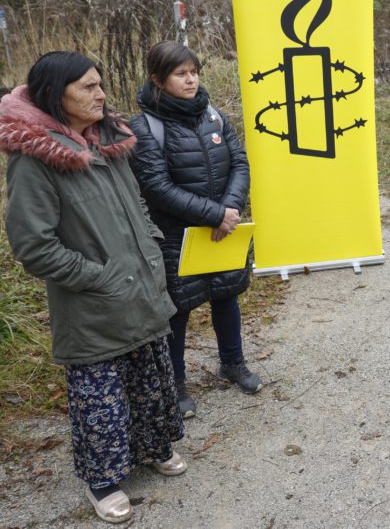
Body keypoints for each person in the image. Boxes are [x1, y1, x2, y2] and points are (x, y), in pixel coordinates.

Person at [1, 52, 186, 524]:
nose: (101, 94)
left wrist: (152, 245)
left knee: (148, 379)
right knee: (100, 399)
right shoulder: (35, 160)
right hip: (93, 304)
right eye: (87, 87)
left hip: (141, 287)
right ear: (54, 94)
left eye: (100, 84)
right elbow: (33, 246)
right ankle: (102, 480)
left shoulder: (109, 140)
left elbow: (138, 205)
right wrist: (100, 278)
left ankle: (153, 448)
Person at [128, 41, 261, 420]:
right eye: (180, 74)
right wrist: (214, 215)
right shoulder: (145, 127)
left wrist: (229, 211)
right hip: (176, 236)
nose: (191, 80)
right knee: (178, 311)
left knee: (226, 296)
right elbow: (156, 186)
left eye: (194, 72)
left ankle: (233, 363)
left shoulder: (213, 115)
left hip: (223, 228)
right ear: (158, 79)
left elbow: (240, 162)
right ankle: (176, 385)